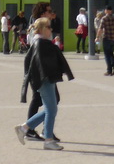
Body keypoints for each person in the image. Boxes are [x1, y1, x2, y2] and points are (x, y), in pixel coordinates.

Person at [15, 17, 73, 151]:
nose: (51, 29)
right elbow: (40, 65)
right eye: (48, 27)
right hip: (44, 80)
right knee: (51, 109)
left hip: (46, 79)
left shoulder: (43, 42)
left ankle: (24, 128)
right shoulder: (40, 43)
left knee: (50, 109)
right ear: (41, 29)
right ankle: (48, 140)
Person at [97, 4, 114, 76]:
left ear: (107, 11)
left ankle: (109, 70)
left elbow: (100, 29)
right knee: (111, 53)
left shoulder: (104, 18)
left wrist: (97, 37)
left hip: (107, 38)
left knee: (107, 55)